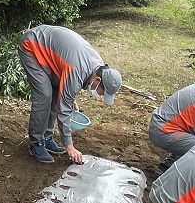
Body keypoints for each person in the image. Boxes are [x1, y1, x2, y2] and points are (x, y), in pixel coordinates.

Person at [18, 24, 122, 165]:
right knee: (45, 96)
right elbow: (64, 108)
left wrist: (69, 98)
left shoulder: (97, 66)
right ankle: (36, 143)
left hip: (52, 53)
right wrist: (70, 146)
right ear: (97, 80)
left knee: (56, 96)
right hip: (33, 46)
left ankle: (47, 138)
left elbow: (66, 88)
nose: (101, 96)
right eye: (102, 92)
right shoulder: (77, 70)